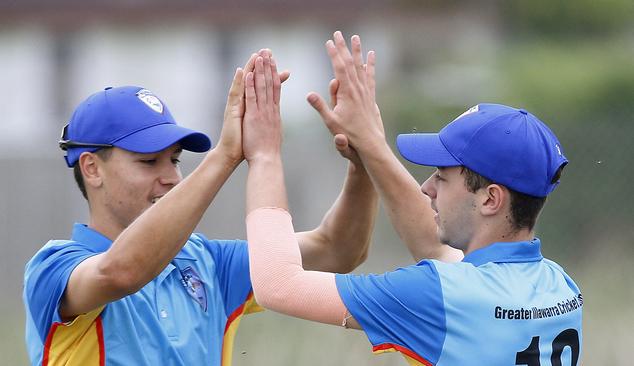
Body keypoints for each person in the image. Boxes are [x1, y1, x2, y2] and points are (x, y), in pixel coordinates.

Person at [243, 32, 582, 365]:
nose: (427, 188)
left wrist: (264, 156)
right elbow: (436, 249)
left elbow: (279, 285)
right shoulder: (560, 286)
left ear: (491, 200)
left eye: (443, 177)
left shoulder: (438, 295)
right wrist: (372, 146)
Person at [22, 50, 379, 365]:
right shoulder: (53, 267)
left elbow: (338, 249)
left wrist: (364, 163)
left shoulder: (206, 261)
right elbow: (121, 272)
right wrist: (225, 156)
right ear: (91, 168)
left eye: (174, 160)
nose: (172, 177)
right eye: (149, 162)